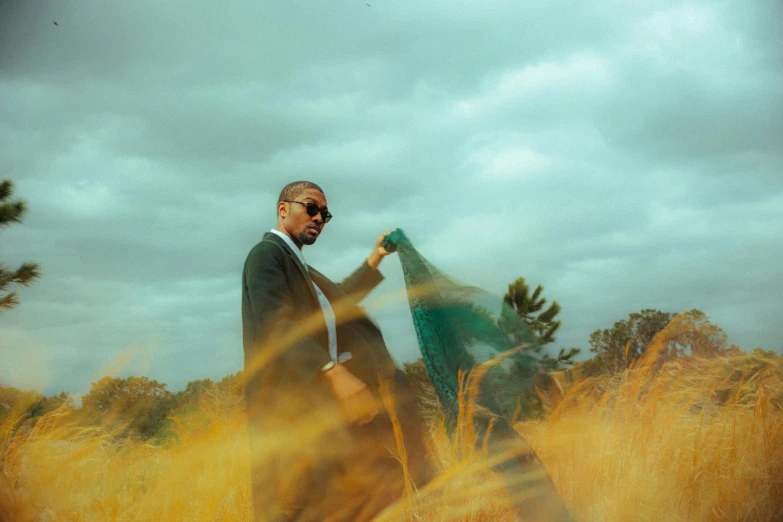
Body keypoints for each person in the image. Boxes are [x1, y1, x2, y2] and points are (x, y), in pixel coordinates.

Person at [241, 181, 433, 522]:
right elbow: (276, 324)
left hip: (316, 406)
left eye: (325, 214)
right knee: (295, 505)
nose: (319, 218)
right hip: (287, 409)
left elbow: (335, 305)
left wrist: (375, 259)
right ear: (283, 208)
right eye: (311, 208)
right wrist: (333, 371)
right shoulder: (267, 254)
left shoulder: (299, 264)